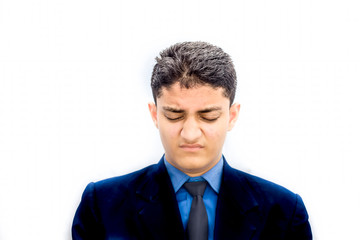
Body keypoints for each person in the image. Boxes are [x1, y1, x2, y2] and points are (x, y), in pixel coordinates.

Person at [72, 41, 312, 240]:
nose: (190, 133)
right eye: (174, 115)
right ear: (155, 114)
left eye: (208, 117)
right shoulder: (101, 205)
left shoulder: (283, 211)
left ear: (232, 116)